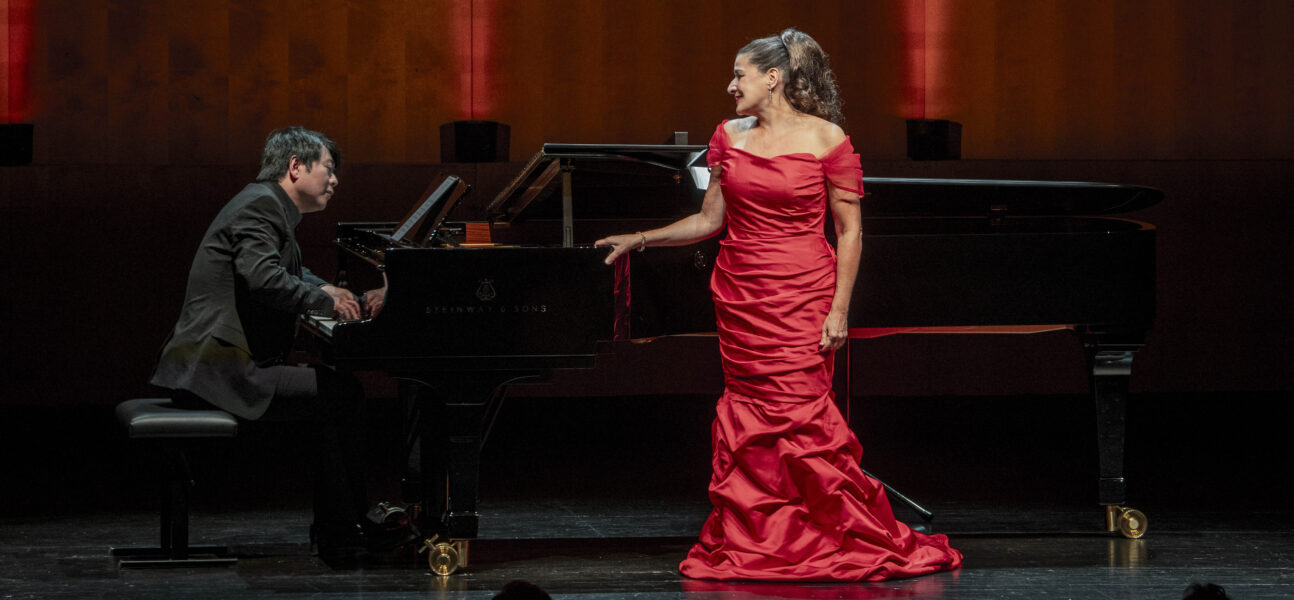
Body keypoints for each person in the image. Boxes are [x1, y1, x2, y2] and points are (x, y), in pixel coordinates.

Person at [595, 29, 963, 581]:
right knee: (750, 418)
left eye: (739, 74)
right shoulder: (728, 136)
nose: (730, 84)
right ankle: (759, 537)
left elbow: (851, 232)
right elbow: (708, 220)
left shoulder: (827, 139)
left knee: (802, 416)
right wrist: (641, 239)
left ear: (773, 78)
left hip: (802, 292)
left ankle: (824, 534)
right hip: (742, 294)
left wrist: (839, 309)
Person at [150, 126, 395, 564]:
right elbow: (262, 278)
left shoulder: (268, 206)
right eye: (329, 169)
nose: (335, 180)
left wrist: (345, 297)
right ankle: (347, 529)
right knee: (342, 393)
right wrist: (328, 300)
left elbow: (292, 274)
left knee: (336, 391)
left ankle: (341, 526)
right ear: (296, 167)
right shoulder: (261, 205)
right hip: (216, 369)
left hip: (215, 364)